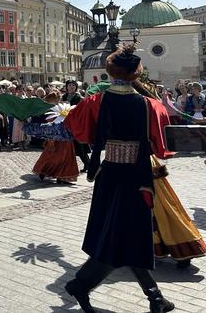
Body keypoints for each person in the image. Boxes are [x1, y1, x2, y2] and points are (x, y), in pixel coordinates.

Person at [62, 44, 175, 313]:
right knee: (126, 237)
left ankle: (155, 298)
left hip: (109, 174)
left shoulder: (98, 100)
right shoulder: (148, 104)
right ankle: (82, 285)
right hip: (137, 177)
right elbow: (162, 145)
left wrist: (94, 152)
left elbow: (77, 126)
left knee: (121, 236)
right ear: (136, 73)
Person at [31, 91, 79, 183]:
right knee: (60, 156)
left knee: (55, 156)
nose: (57, 101)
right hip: (59, 138)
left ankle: (50, 172)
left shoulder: (61, 108)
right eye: (55, 100)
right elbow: (49, 123)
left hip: (61, 137)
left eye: (57, 99)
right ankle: (52, 173)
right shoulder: (52, 111)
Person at [62, 79, 90, 172]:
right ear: (66, 87)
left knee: (80, 146)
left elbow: (83, 110)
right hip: (65, 123)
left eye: (73, 85)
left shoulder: (79, 97)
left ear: (76, 87)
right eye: (69, 85)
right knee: (67, 146)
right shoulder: (63, 97)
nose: (71, 87)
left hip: (76, 124)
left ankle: (87, 164)